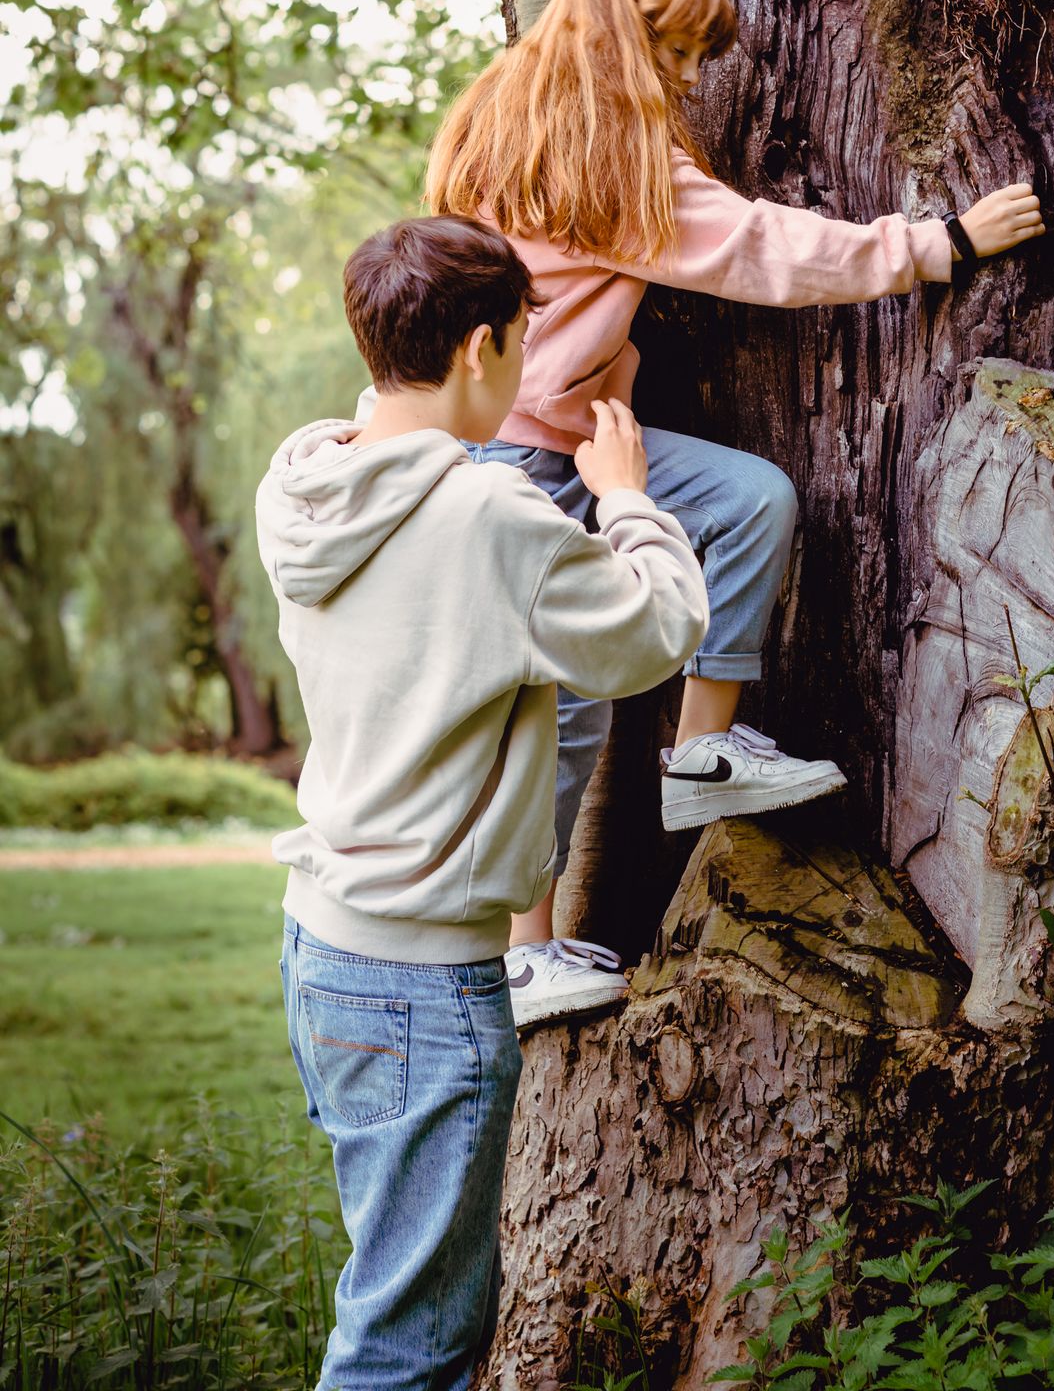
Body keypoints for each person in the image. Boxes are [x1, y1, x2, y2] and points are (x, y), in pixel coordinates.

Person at [426, 0, 1045, 1028]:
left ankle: (701, 748)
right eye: (675, 52)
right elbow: (763, 250)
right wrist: (937, 240)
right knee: (555, 708)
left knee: (748, 501)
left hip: (565, 430)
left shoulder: (502, 110)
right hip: (523, 457)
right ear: (626, 36)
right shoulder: (601, 155)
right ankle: (523, 955)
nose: (687, 76)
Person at [256, 215, 708, 1391]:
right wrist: (621, 496)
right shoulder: (491, 519)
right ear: (477, 349)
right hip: (421, 985)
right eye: (519, 340)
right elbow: (657, 634)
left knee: (390, 1291)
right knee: (411, 1348)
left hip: (323, 947)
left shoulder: (302, 481)